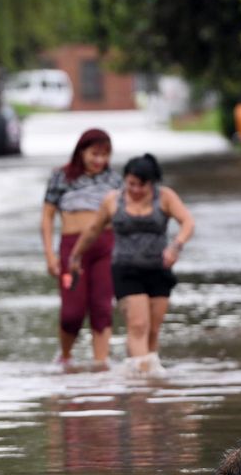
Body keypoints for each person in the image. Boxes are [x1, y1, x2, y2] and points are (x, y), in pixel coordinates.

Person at [70, 153, 194, 377]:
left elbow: (187, 222)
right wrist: (75, 256)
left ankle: (139, 374)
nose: (135, 189)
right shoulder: (112, 200)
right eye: (131, 184)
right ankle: (144, 384)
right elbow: (93, 230)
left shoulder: (165, 197)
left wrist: (176, 246)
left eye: (141, 185)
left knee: (152, 331)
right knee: (138, 326)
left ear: (152, 183)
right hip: (126, 270)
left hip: (158, 269)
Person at [42, 128, 122, 367]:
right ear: (81, 151)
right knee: (72, 312)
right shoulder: (61, 177)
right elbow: (47, 217)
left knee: (102, 308)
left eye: (105, 155)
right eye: (94, 154)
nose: (100, 160)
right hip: (71, 249)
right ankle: (65, 356)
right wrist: (49, 254)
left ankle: (101, 364)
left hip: (105, 247)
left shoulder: (114, 180)